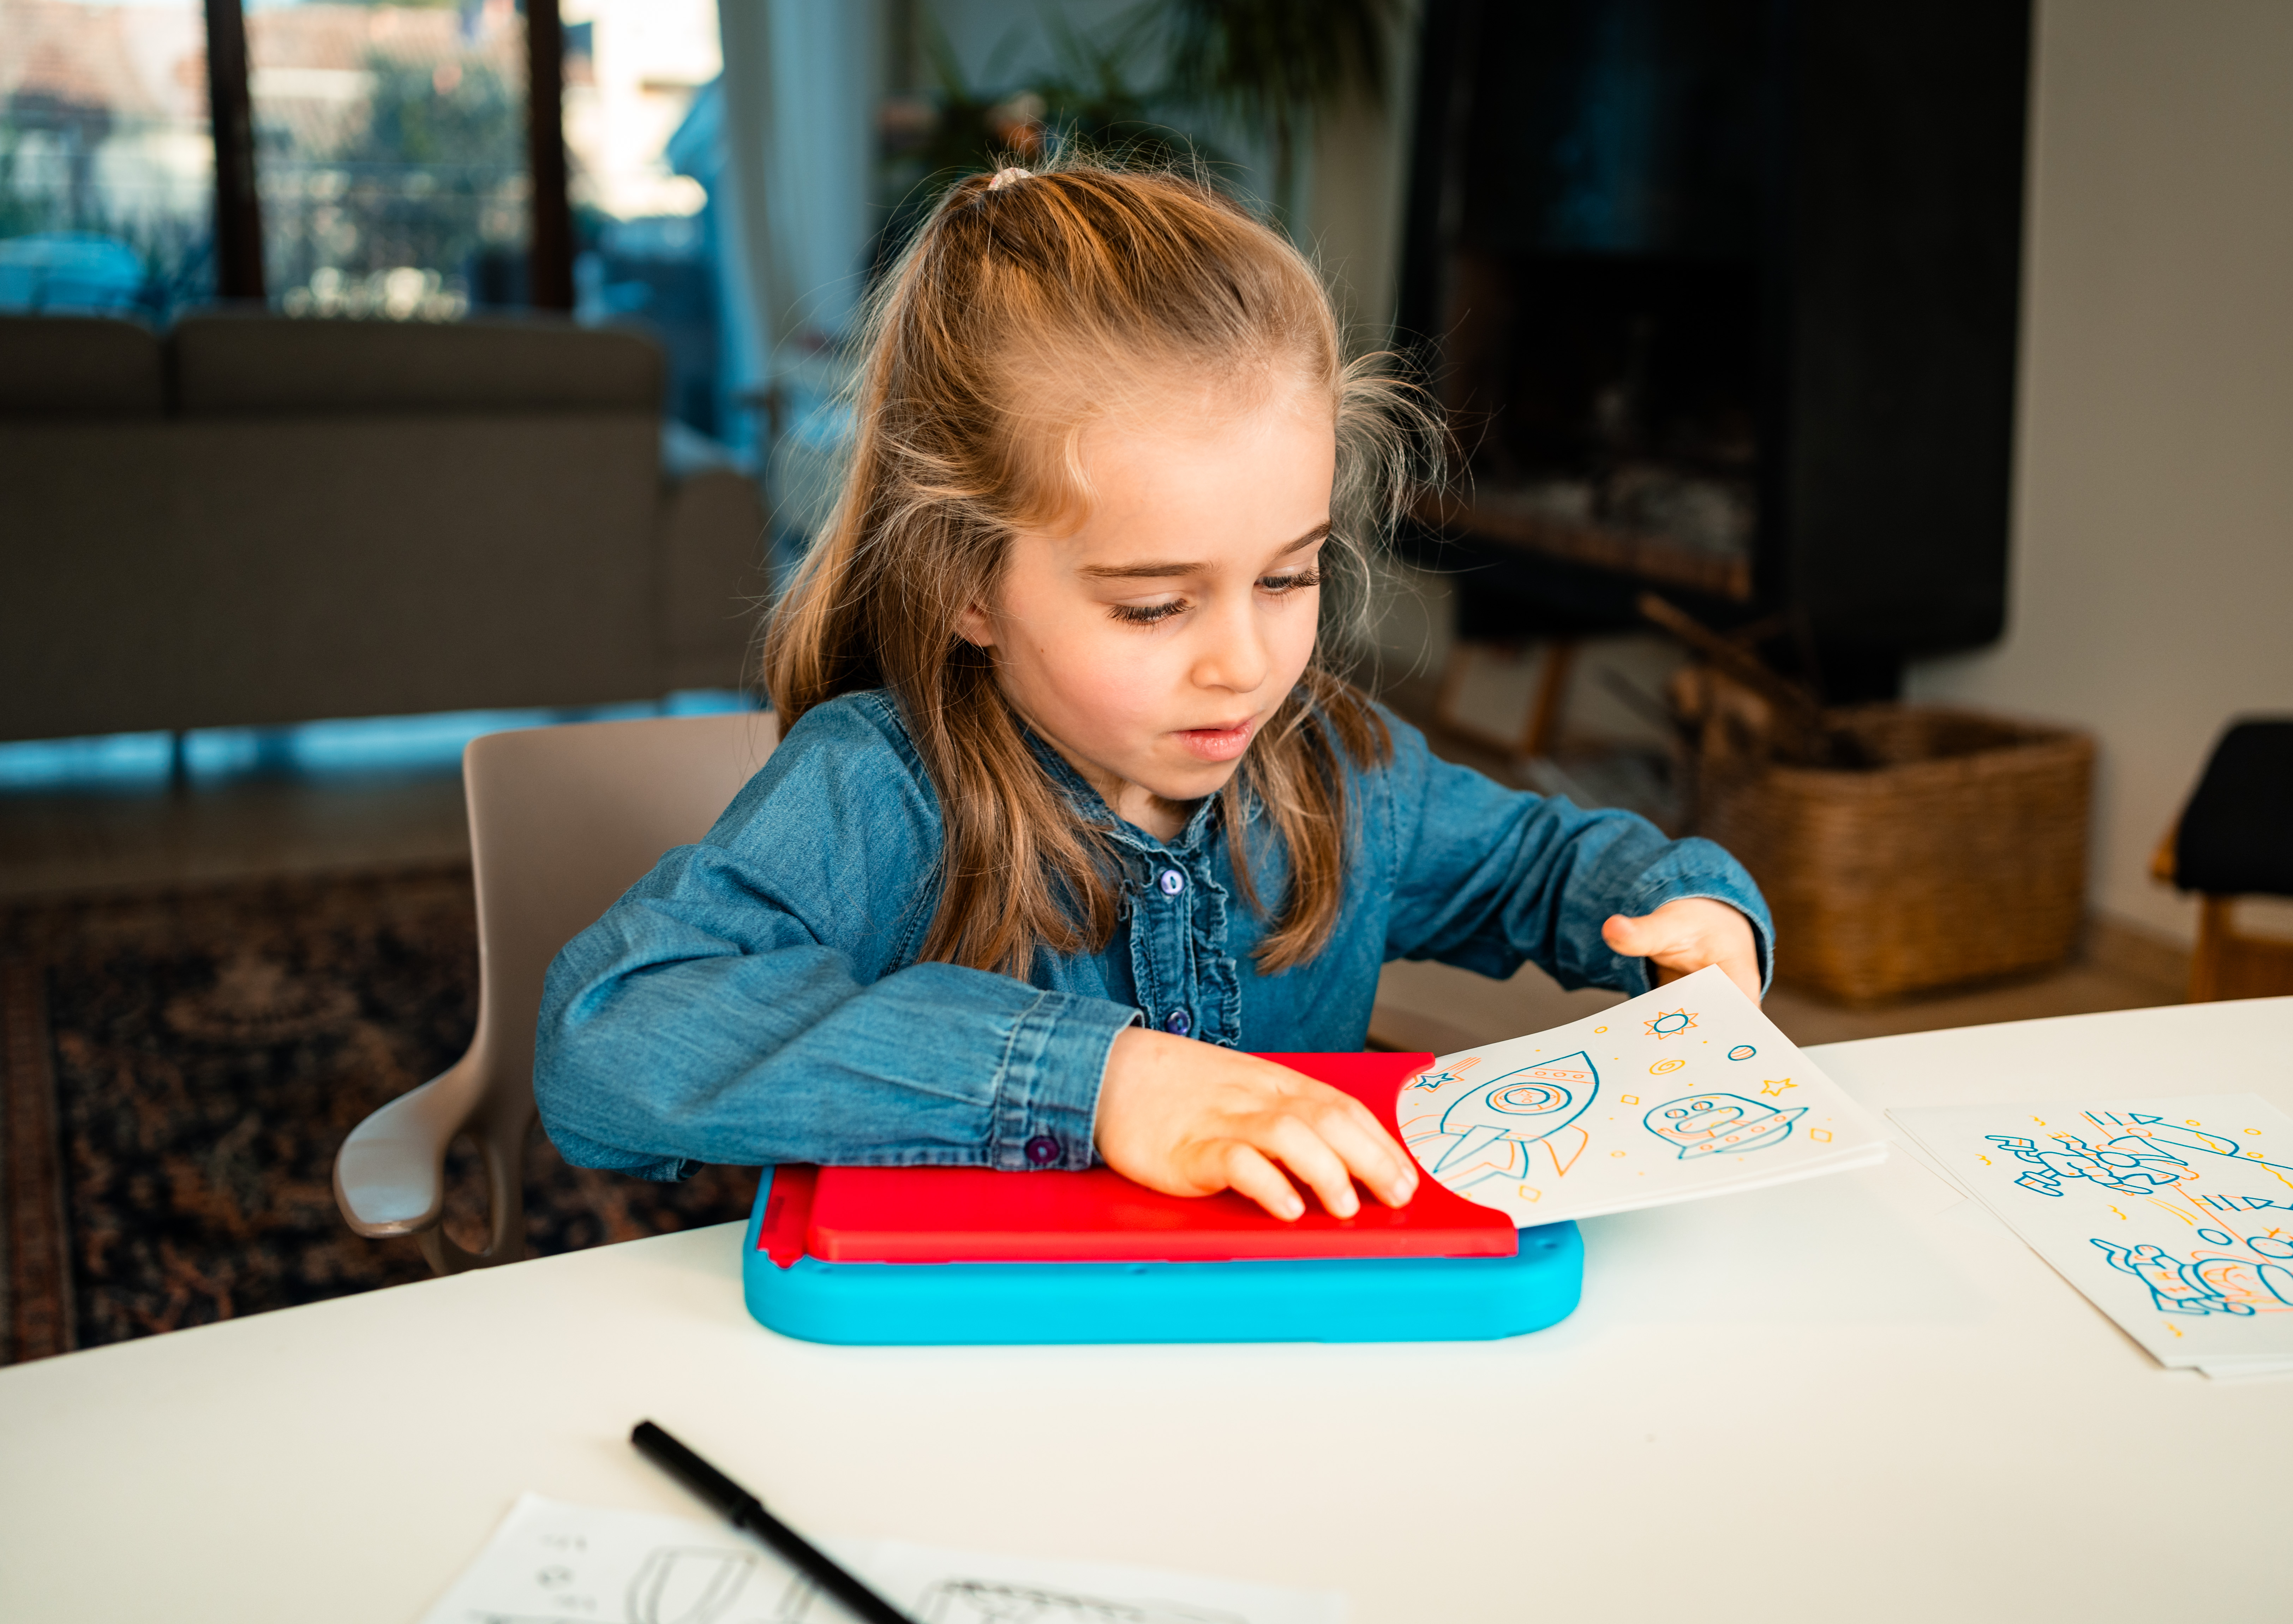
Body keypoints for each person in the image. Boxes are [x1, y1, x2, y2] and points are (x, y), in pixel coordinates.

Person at [535, 160, 1771, 1223]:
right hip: (970, 1372)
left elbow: (1551, 871)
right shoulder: (876, 788)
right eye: (1153, 604)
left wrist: (1689, 916)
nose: (1243, 663)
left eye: (1288, 578)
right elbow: (610, 1040)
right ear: (966, 583)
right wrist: (1099, 1083)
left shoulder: (1342, 772)